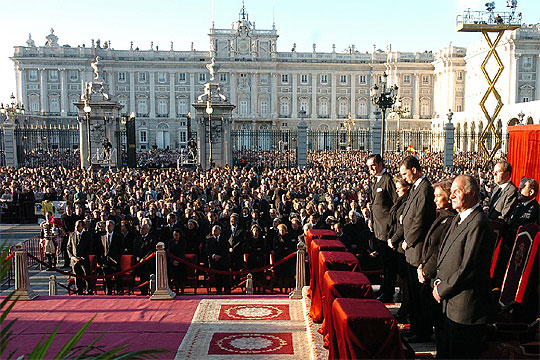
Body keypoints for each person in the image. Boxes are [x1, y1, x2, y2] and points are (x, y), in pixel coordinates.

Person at [433, 175, 495, 358]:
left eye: (456, 192)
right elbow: (446, 254)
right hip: (450, 303)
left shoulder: (478, 223)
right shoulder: (458, 218)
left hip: (464, 309)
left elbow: (468, 268)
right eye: (450, 192)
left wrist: (442, 289)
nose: (451, 196)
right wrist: (438, 281)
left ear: (471, 194)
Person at [399, 155, 436, 341]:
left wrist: (408, 239)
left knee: (420, 294)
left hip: (416, 246)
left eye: (405, 174)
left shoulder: (425, 189)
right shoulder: (416, 187)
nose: (403, 178)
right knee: (412, 293)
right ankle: (414, 328)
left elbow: (420, 220)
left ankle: (422, 331)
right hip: (410, 248)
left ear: (414, 170)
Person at [417, 179, 456, 351]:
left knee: (440, 325)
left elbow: (440, 250)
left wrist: (425, 270)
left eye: (439, 196)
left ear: (448, 197)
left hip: (437, 277)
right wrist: (421, 266)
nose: (435, 199)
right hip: (428, 271)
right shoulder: (441, 216)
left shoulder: (450, 220)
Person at [367, 154, 398, 302]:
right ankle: (384, 288)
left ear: (380, 164)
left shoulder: (388, 180)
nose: (370, 169)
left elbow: (396, 204)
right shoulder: (377, 181)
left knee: (390, 264)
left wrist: (391, 225)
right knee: (384, 263)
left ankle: (388, 292)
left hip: (387, 229)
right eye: (368, 166)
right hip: (378, 229)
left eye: (373, 165)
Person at [387, 175, 411, 321]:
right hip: (396, 242)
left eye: (399, 188)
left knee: (405, 279)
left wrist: (394, 238)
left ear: (406, 188)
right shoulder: (399, 200)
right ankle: (403, 305)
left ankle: (406, 308)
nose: (396, 191)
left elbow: (403, 225)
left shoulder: (407, 201)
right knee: (401, 278)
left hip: (402, 244)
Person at [97, 220, 124, 295]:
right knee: (106, 278)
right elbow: (100, 249)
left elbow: (121, 248)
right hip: (105, 261)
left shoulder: (118, 236)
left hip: (115, 260)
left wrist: (116, 257)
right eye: (107, 226)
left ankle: (119, 292)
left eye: (109, 226)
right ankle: (108, 292)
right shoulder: (102, 236)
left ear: (113, 227)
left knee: (118, 278)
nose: (108, 227)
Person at [67, 220, 92, 295]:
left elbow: (89, 248)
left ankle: (88, 291)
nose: (76, 227)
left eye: (78, 226)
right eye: (75, 226)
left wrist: (82, 257)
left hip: (84, 259)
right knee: (77, 277)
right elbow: (68, 247)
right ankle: (79, 291)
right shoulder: (72, 235)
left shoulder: (87, 235)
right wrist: (72, 257)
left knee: (87, 276)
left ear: (82, 227)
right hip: (74, 260)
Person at [206, 225, 230, 294]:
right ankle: (218, 290)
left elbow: (226, 249)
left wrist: (220, 256)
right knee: (217, 276)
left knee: (225, 274)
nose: (214, 231)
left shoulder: (224, 239)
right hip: (214, 261)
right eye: (213, 230)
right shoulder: (209, 240)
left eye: (216, 230)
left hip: (222, 260)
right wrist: (213, 256)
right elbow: (207, 250)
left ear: (220, 231)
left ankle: (226, 290)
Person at [168, 228, 186, 294]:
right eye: (174, 235)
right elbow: (169, 253)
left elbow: (182, 251)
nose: (175, 236)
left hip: (181, 261)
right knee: (175, 276)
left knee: (181, 276)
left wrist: (178, 260)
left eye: (177, 235)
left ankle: (182, 289)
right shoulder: (170, 242)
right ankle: (176, 289)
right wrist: (173, 261)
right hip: (173, 262)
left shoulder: (183, 242)